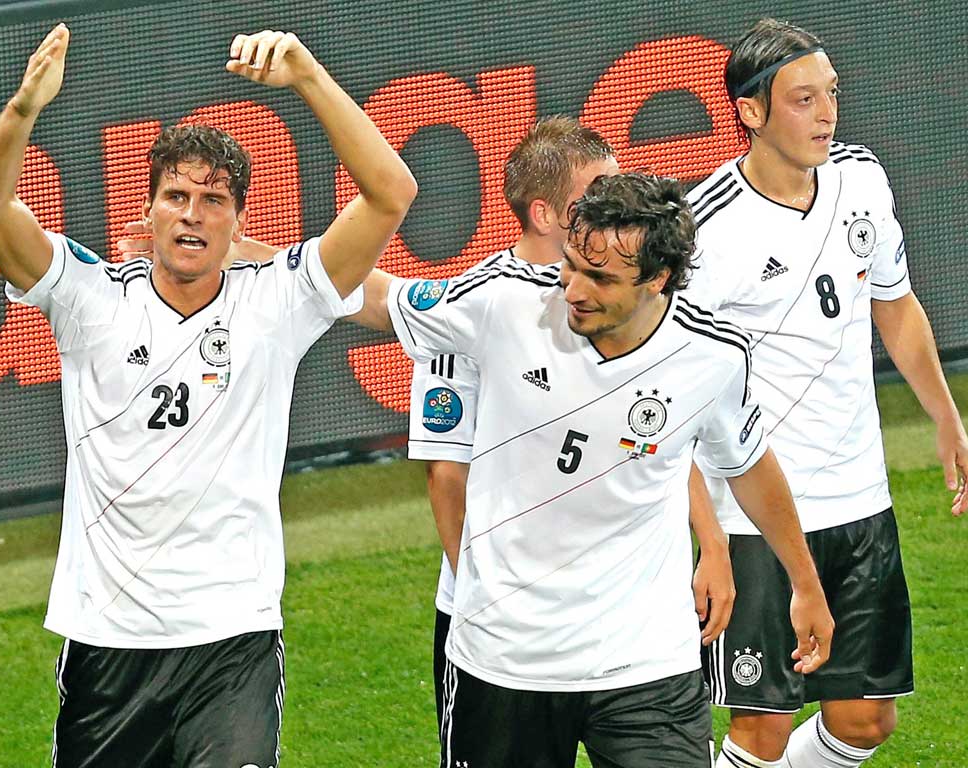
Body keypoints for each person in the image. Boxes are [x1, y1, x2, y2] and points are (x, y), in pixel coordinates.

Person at [0, 24, 416, 767]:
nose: (193, 213)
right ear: (148, 212)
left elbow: (392, 192)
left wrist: (305, 75)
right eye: (175, 195)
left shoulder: (280, 300)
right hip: (109, 644)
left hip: (231, 643)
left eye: (213, 199)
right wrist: (21, 111)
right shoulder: (88, 298)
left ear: (238, 222)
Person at [362, 171, 833, 767]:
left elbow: (748, 466)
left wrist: (805, 583)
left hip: (647, 664)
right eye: (570, 265)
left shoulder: (712, 356)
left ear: (659, 279)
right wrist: (249, 261)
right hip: (507, 661)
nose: (573, 290)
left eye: (601, 278)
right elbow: (373, 295)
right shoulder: (505, 302)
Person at [684, 18, 968, 768]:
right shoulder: (703, 231)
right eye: (803, 100)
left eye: (831, 95)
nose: (827, 114)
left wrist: (946, 415)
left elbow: (895, 303)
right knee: (761, 731)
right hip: (753, 513)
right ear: (751, 112)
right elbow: (668, 389)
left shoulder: (862, 179)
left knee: (866, 720)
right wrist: (709, 540)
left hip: (859, 495)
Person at [400, 117, 737, 739]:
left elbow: (654, 437)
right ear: (547, 214)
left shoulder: (632, 298)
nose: (619, 202)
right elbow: (448, 476)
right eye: (599, 191)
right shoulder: (478, 308)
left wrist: (710, 539)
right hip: (498, 628)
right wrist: (496, 603)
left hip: (625, 641)